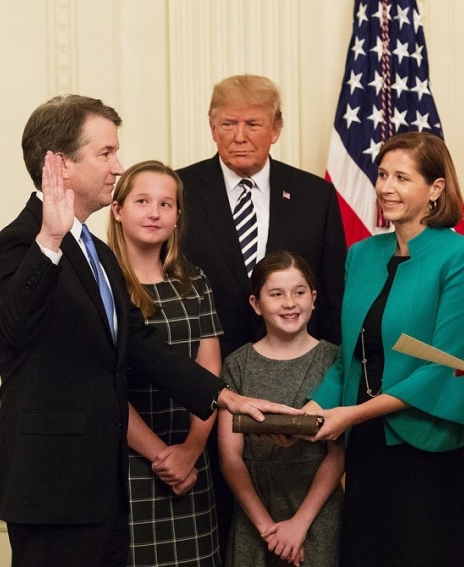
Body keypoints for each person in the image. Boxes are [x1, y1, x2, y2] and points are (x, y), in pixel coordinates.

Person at [0, 94, 298, 567]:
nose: (118, 166)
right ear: (60, 164)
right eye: (105, 153)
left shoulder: (96, 251)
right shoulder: (20, 242)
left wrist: (227, 398)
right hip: (51, 487)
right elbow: (13, 329)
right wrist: (48, 240)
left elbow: (141, 346)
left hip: (103, 489)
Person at [305, 131, 464, 567]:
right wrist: (312, 409)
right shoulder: (361, 255)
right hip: (369, 447)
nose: (386, 187)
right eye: (382, 174)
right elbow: (348, 355)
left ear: (436, 189)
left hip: (433, 447)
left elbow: (441, 368)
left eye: (402, 177)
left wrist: (350, 414)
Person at [175, 74, 347, 556]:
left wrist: (327, 394)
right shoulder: (181, 191)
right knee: (225, 535)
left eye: (253, 123)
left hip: (303, 392)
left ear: (277, 127)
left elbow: (331, 299)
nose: (240, 135)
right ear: (211, 126)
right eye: (227, 123)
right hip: (207, 390)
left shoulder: (315, 195)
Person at [107, 160, 222, 566]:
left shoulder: (194, 281)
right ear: (118, 210)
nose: (154, 212)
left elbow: (210, 374)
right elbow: (103, 385)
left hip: (193, 464)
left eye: (166, 203)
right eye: (142, 200)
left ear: (177, 217)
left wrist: (190, 450)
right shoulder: (102, 287)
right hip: (130, 464)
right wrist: (162, 456)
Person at [217, 251, 343, 567]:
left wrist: (299, 524)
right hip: (255, 514)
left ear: (313, 299)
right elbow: (230, 456)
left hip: (316, 514)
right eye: (276, 294)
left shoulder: (335, 361)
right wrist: (266, 528)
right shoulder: (237, 365)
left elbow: (337, 453)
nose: (289, 303)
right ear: (256, 304)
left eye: (299, 292)